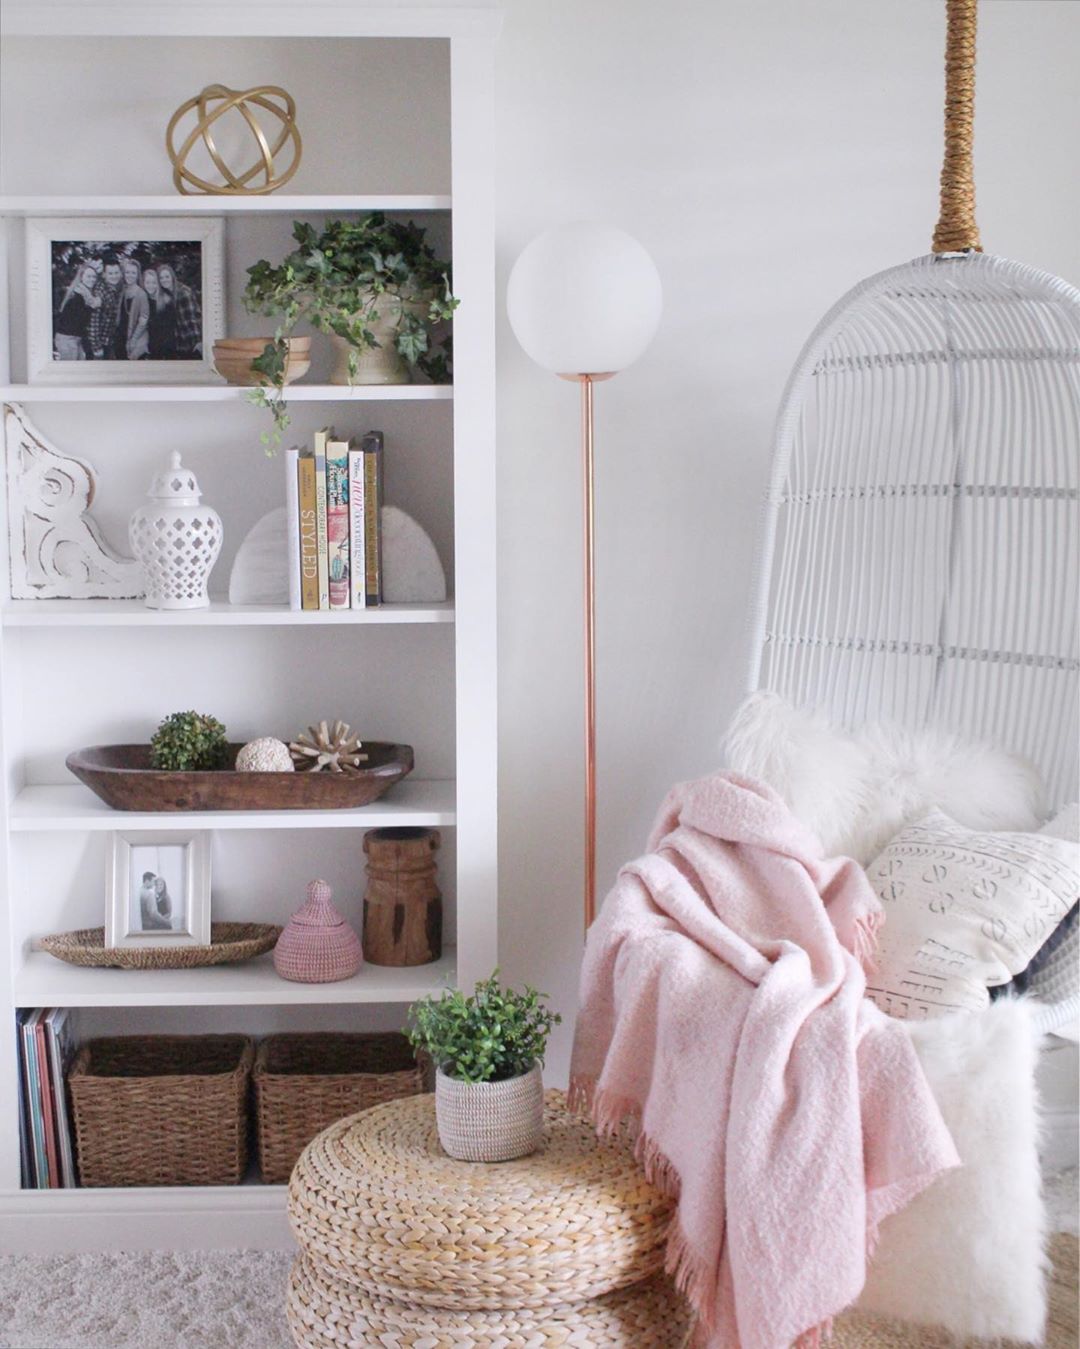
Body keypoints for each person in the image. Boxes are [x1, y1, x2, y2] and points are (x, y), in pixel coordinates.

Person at [54, 262, 101, 360]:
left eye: (94, 277)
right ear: (81, 277)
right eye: (88, 276)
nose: (92, 279)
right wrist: (93, 307)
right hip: (67, 339)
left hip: (75, 338)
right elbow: (79, 321)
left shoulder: (86, 295)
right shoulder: (77, 296)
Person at [157, 262, 202, 359]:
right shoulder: (166, 295)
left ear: (172, 277)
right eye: (161, 278)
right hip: (180, 343)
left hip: (191, 342)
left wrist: (198, 342)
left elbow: (193, 319)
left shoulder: (183, 293)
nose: (164, 280)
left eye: (167, 276)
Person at [88, 254, 124, 359]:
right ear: (104, 274)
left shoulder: (115, 289)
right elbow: (93, 322)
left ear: (121, 273)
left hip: (108, 341)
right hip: (97, 345)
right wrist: (96, 348)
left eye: (116, 273)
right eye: (110, 273)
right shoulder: (100, 291)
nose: (114, 276)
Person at [115, 256, 150, 360]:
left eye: (133, 273)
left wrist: (133, 340)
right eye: (127, 272)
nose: (130, 275)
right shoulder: (122, 290)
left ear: (137, 275)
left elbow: (144, 320)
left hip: (133, 338)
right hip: (120, 337)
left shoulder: (141, 294)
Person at [144, 264, 176, 359]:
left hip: (165, 347)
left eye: (154, 282)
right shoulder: (144, 299)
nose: (151, 286)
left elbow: (170, 328)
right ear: (143, 283)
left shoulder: (166, 300)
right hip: (150, 346)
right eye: (147, 282)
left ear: (158, 283)